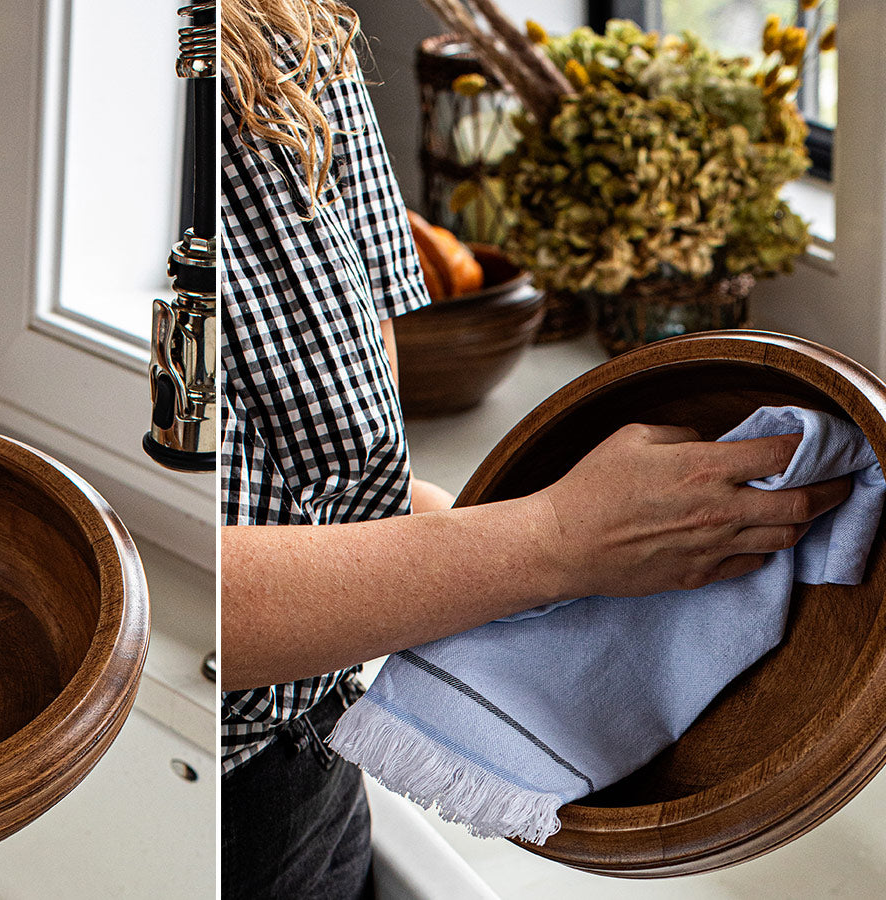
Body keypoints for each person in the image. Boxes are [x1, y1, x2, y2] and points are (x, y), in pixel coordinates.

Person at [217, 3, 852, 897]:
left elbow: (343, 465)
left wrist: (576, 543)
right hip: (191, 783)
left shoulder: (298, 31)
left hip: (311, 752)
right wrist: (554, 541)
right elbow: (154, 579)